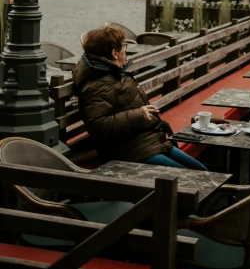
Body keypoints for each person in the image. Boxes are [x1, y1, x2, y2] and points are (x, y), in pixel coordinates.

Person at [73, 26, 207, 170]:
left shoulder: (115, 74)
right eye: (124, 46)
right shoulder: (98, 84)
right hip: (129, 152)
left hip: (150, 143)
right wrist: (139, 115)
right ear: (114, 53)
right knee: (193, 178)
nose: (126, 50)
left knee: (202, 171)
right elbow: (98, 125)